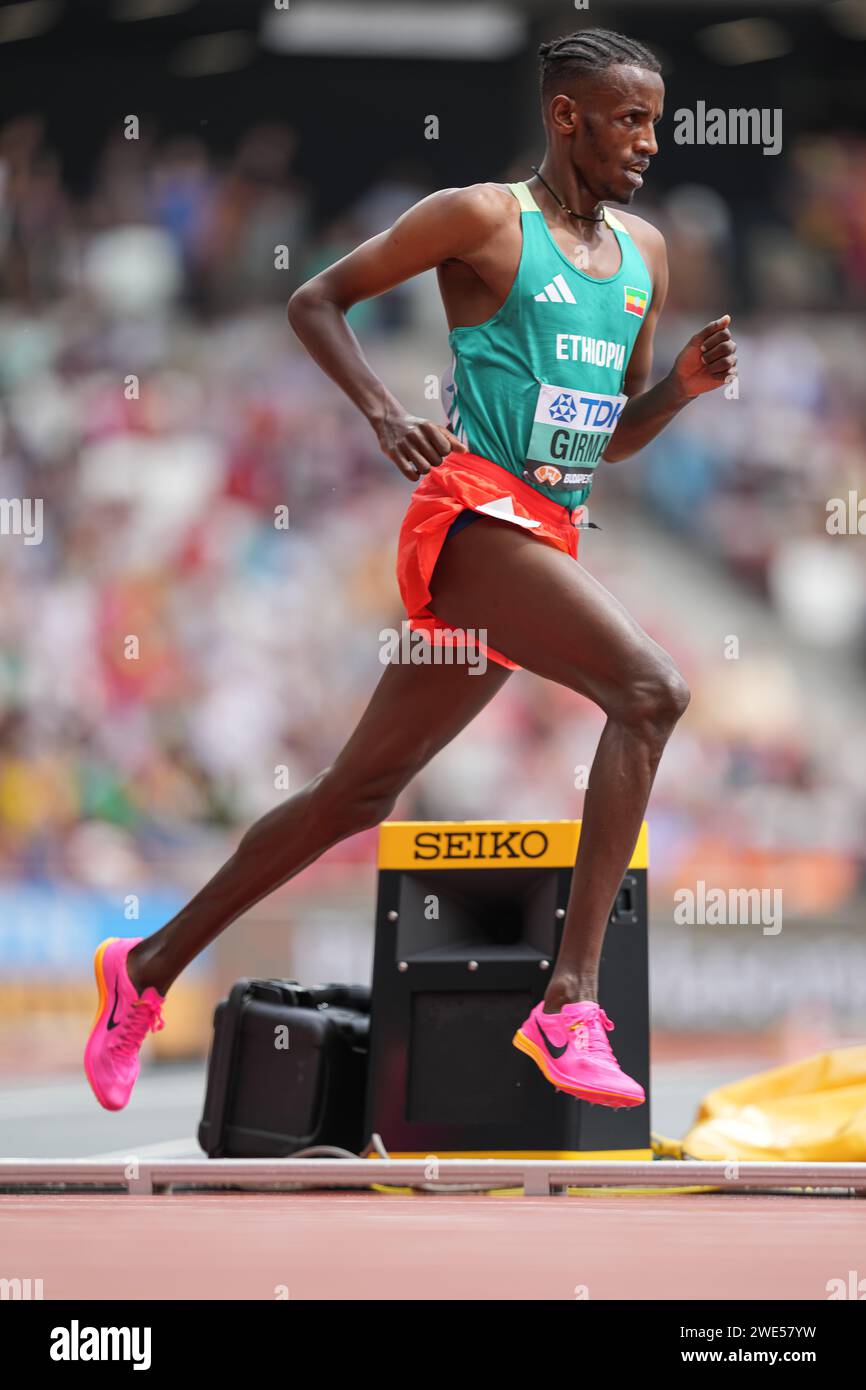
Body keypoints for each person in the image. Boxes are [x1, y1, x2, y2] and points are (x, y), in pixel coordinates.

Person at [84, 28, 736, 1113]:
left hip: (548, 533)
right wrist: (385, 415)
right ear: (564, 115)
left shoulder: (645, 255)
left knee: (357, 793)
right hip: (474, 519)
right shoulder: (481, 218)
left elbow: (609, 436)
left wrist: (675, 390)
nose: (648, 142)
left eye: (656, 121)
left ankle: (140, 970)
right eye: (628, 118)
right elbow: (314, 300)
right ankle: (565, 1002)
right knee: (652, 690)